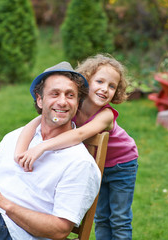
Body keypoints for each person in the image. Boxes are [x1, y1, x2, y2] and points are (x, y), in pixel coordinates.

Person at [0, 61, 101, 240]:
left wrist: (3, 202)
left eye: (70, 95)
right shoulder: (20, 136)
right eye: (55, 94)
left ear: (77, 103)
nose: (62, 101)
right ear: (39, 99)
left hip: (13, 232)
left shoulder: (79, 162)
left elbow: (60, 230)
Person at [15, 54, 139, 240]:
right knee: (102, 217)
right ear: (86, 82)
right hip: (98, 166)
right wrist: (21, 152)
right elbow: (36, 121)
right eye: (99, 81)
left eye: (112, 86)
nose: (105, 89)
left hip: (122, 166)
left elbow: (80, 134)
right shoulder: (72, 105)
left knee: (119, 218)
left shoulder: (106, 115)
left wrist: (42, 147)